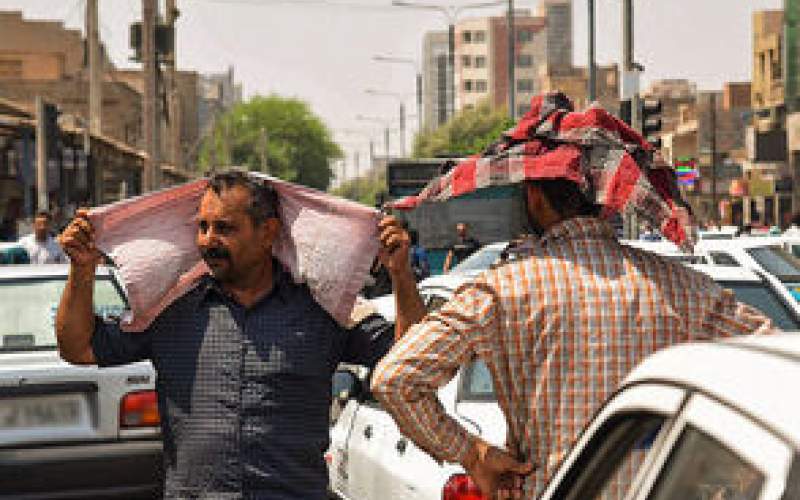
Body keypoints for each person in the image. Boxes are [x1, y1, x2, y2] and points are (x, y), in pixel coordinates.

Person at [371, 93, 774, 498]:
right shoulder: (681, 288)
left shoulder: (499, 291)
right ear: (603, 201)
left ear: (534, 196)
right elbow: (778, 369)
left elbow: (397, 379)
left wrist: (473, 454)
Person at [55, 170, 426, 499]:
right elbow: (79, 348)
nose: (207, 240)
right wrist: (82, 270)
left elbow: (412, 360)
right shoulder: (171, 311)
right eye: (202, 227)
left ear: (268, 233)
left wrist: (401, 276)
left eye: (224, 228)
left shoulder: (323, 311)